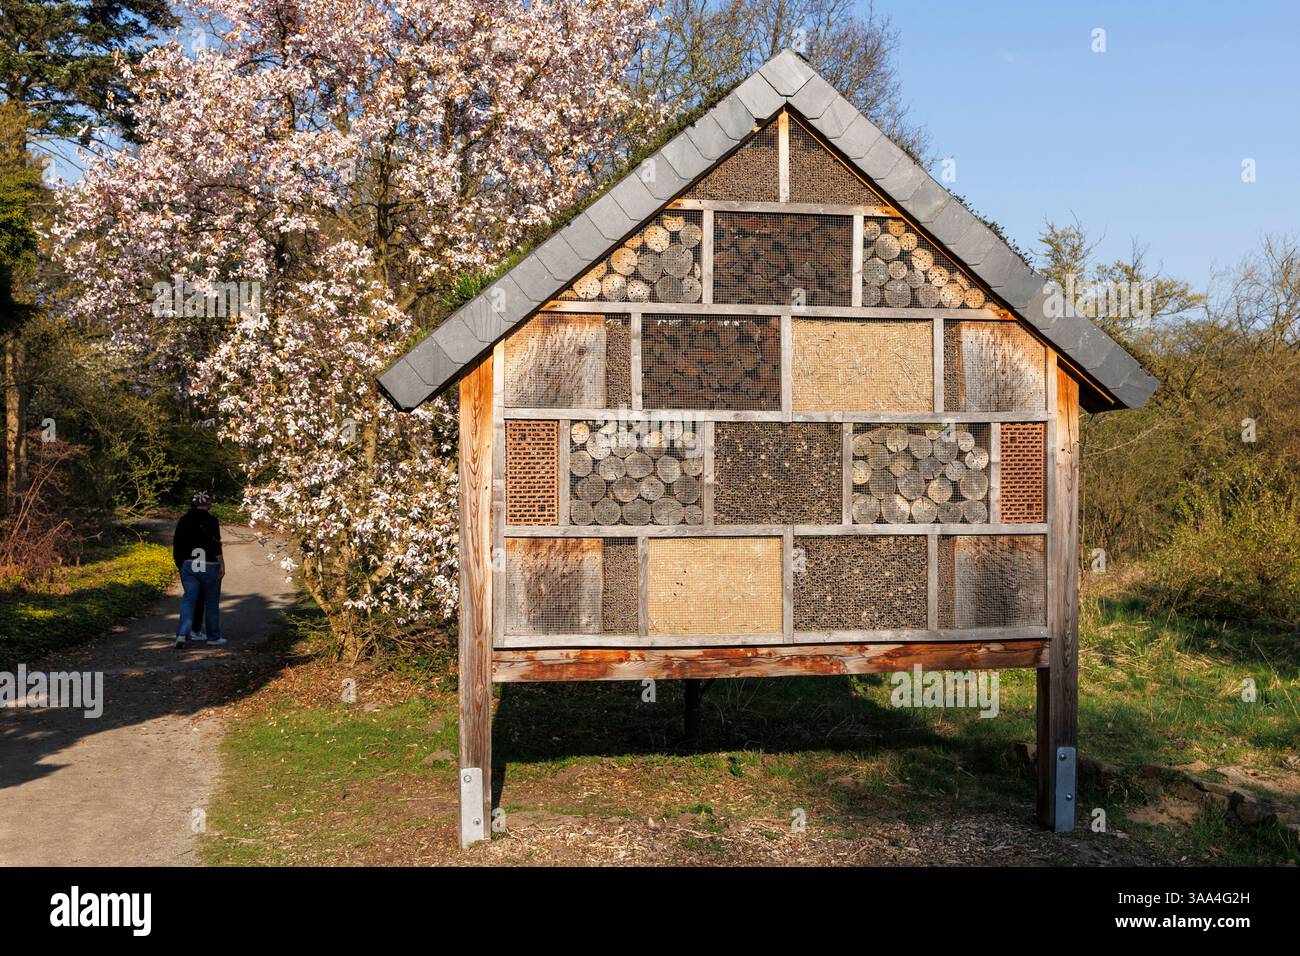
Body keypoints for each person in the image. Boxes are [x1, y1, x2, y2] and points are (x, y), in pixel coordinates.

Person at [173, 491, 226, 648]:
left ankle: (181, 635)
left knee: (189, 600)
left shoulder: (184, 520)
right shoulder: (212, 521)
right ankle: (213, 637)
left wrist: (181, 564)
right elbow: (216, 544)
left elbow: (177, 544)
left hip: (189, 564)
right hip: (209, 564)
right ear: (208, 504)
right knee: (211, 602)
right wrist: (222, 564)